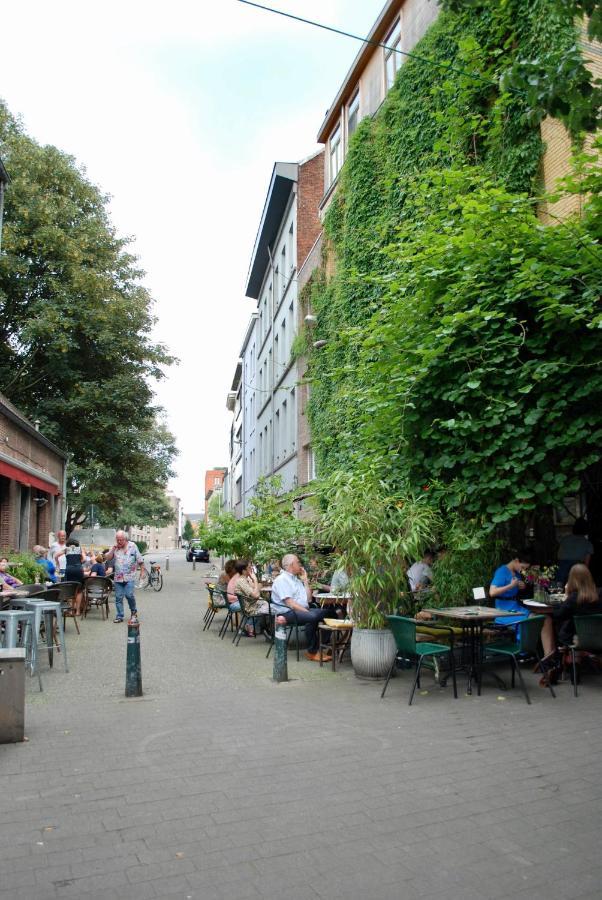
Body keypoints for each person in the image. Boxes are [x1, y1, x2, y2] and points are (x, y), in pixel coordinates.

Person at [271, 554, 330, 661]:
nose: (300, 564)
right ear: (291, 565)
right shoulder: (282, 580)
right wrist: (307, 612)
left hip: (300, 610)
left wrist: (305, 580)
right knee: (312, 617)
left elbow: (308, 600)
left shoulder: (296, 580)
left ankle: (323, 647)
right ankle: (312, 651)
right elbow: (290, 604)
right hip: (287, 612)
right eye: (298, 562)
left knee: (329, 613)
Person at [540, 564, 602, 663]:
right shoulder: (599, 594)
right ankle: (577, 657)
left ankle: (555, 659)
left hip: (575, 638)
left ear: (572, 579)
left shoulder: (574, 598)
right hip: (598, 638)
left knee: (552, 622)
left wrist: (566, 596)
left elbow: (558, 615)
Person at [104, 531, 145, 623]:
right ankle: (119, 616)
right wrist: (113, 549)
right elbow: (108, 558)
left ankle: (134, 612)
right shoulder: (115, 547)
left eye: (121, 540)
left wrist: (142, 572)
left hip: (130, 576)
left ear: (125, 539)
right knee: (118, 597)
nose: (119, 542)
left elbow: (140, 560)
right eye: (117, 540)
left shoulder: (133, 546)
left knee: (129, 595)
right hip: (118, 577)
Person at [228, 559, 270, 636]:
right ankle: (250, 626)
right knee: (270, 608)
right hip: (249, 607)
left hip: (251, 603)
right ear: (244, 570)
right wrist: (255, 580)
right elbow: (256, 595)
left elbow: (256, 588)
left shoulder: (245, 579)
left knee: (267, 604)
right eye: (250, 567)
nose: (252, 569)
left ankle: (253, 627)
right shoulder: (241, 581)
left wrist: (255, 583)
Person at [489, 550, 531, 627]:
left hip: (515, 607)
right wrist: (510, 586)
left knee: (543, 618)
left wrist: (522, 586)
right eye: (522, 567)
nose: (523, 570)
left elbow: (515, 587)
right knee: (531, 620)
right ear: (516, 561)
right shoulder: (502, 571)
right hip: (504, 611)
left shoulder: (517, 573)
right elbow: (492, 592)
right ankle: (522, 639)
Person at [557, 518, 593, 585]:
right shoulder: (587, 543)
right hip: (577, 569)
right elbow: (586, 564)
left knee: (559, 588)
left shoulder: (565, 539)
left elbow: (559, 555)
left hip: (562, 569)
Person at [60, 538, 86, 614]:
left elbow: (56, 555)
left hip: (69, 569)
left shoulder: (66, 549)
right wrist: (79, 562)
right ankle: (77, 611)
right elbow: (84, 559)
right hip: (78, 569)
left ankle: (71, 611)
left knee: (70, 589)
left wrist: (58, 564)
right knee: (79, 590)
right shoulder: (80, 549)